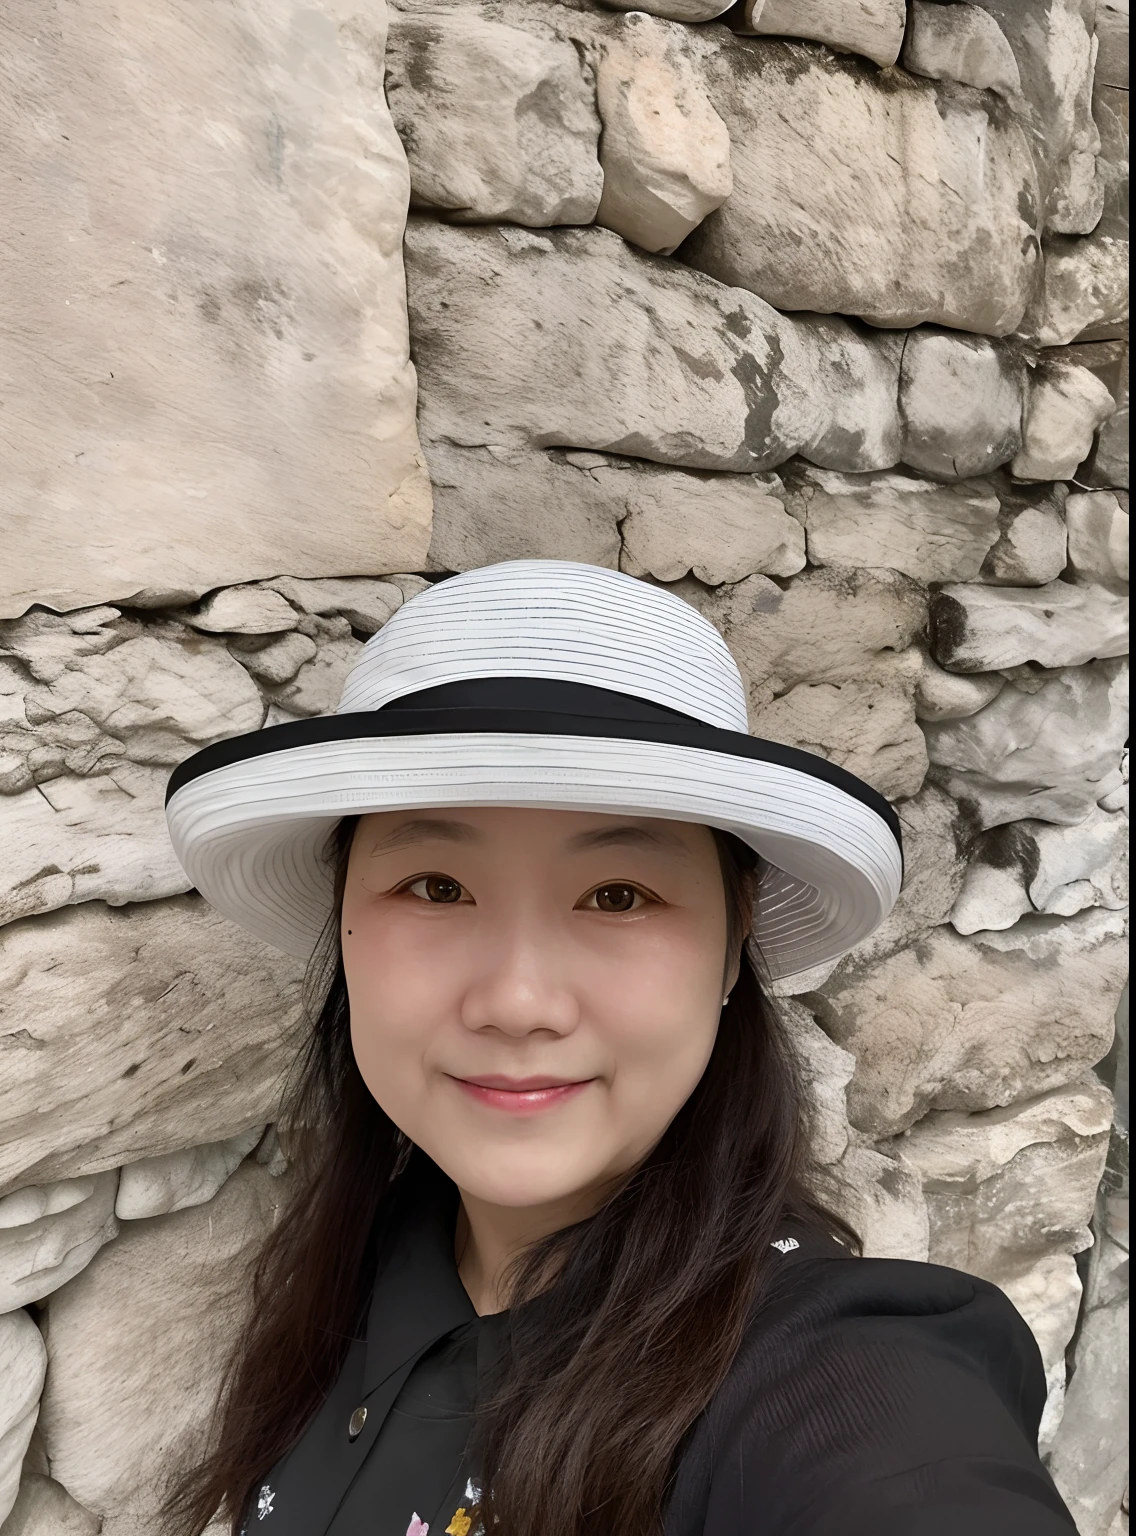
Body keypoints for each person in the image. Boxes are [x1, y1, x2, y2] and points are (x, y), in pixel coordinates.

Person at [163, 560, 1076, 1536]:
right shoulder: (365, 1269)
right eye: (434, 886)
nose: (516, 1002)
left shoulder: (829, 1379)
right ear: (341, 922)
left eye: (617, 895)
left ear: (735, 941)